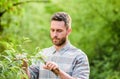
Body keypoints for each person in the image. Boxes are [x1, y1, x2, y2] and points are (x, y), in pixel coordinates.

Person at [22, 12, 90, 79]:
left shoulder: (79, 56)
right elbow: (27, 77)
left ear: (68, 31)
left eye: (59, 31)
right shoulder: (42, 54)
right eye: (52, 30)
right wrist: (24, 66)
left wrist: (59, 72)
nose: (55, 35)